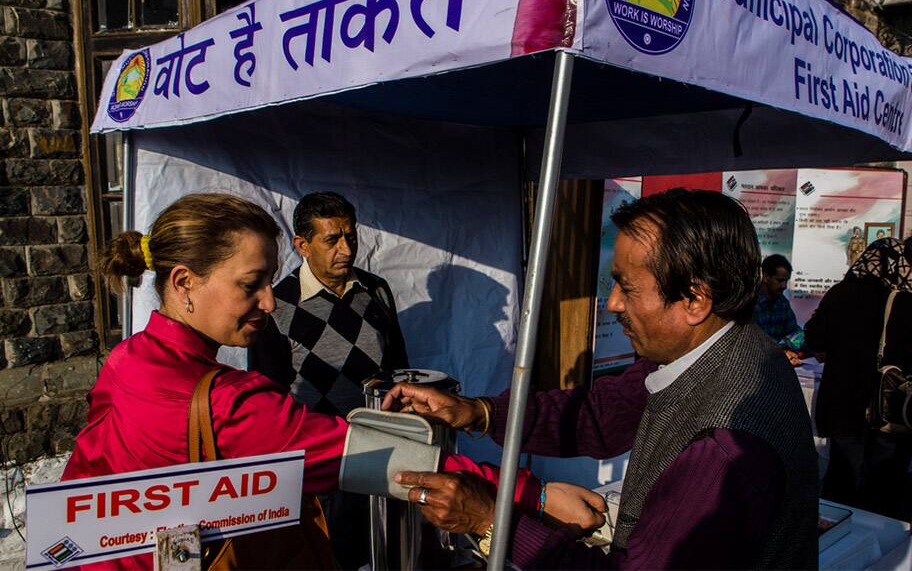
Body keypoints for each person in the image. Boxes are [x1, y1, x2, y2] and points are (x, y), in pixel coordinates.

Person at [62, 193, 600, 569]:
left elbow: (86, 474)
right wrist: (533, 491)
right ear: (183, 283)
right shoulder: (233, 403)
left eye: (270, 283)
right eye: (251, 285)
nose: (269, 302)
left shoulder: (128, 358)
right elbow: (386, 458)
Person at [385, 189, 819, 569]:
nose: (611, 303)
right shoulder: (720, 349)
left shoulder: (721, 448)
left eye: (626, 288)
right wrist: (477, 412)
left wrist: (491, 521)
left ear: (694, 299)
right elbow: (599, 415)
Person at [248, 191, 407, 566]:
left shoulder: (376, 291)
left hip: (379, 457)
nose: (346, 249)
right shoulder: (277, 305)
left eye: (351, 236)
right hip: (319, 467)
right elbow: (268, 398)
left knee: (386, 554)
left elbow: (400, 371)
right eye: (332, 239)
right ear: (302, 245)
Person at [806, 238, 912, 520]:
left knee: (841, 481)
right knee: (881, 486)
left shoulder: (840, 293)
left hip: (843, 402)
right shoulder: (905, 301)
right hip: (887, 407)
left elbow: (814, 336)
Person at [753, 253, 805, 365]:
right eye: (780, 280)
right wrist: (781, 352)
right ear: (766, 277)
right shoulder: (750, 303)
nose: (784, 286)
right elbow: (750, 343)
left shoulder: (782, 303)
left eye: (786, 281)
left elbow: (793, 331)